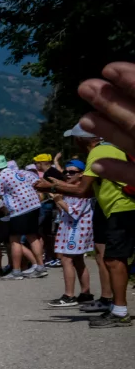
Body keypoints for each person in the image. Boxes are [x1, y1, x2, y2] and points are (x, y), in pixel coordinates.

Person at [45, 120, 135, 326]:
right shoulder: (112, 148)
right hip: (124, 207)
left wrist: (50, 188)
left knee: (114, 260)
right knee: (114, 259)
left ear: (81, 139)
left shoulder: (97, 153)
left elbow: (81, 190)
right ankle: (115, 307)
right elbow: (88, 189)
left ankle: (120, 312)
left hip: (122, 208)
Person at [44, 159, 98, 306]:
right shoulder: (69, 188)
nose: (68, 175)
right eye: (66, 172)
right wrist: (58, 199)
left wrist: (58, 199)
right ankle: (85, 293)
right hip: (69, 227)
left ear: (81, 174)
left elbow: (74, 212)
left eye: (72, 172)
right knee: (78, 260)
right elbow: (64, 211)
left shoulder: (82, 189)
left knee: (66, 259)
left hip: (77, 228)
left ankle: (69, 295)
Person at [0, 155, 46, 279]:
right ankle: (40, 267)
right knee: (32, 236)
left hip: (19, 208)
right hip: (34, 204)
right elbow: (36, 182)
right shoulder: (19, 172)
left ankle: (16, 271)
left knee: (14, 239)